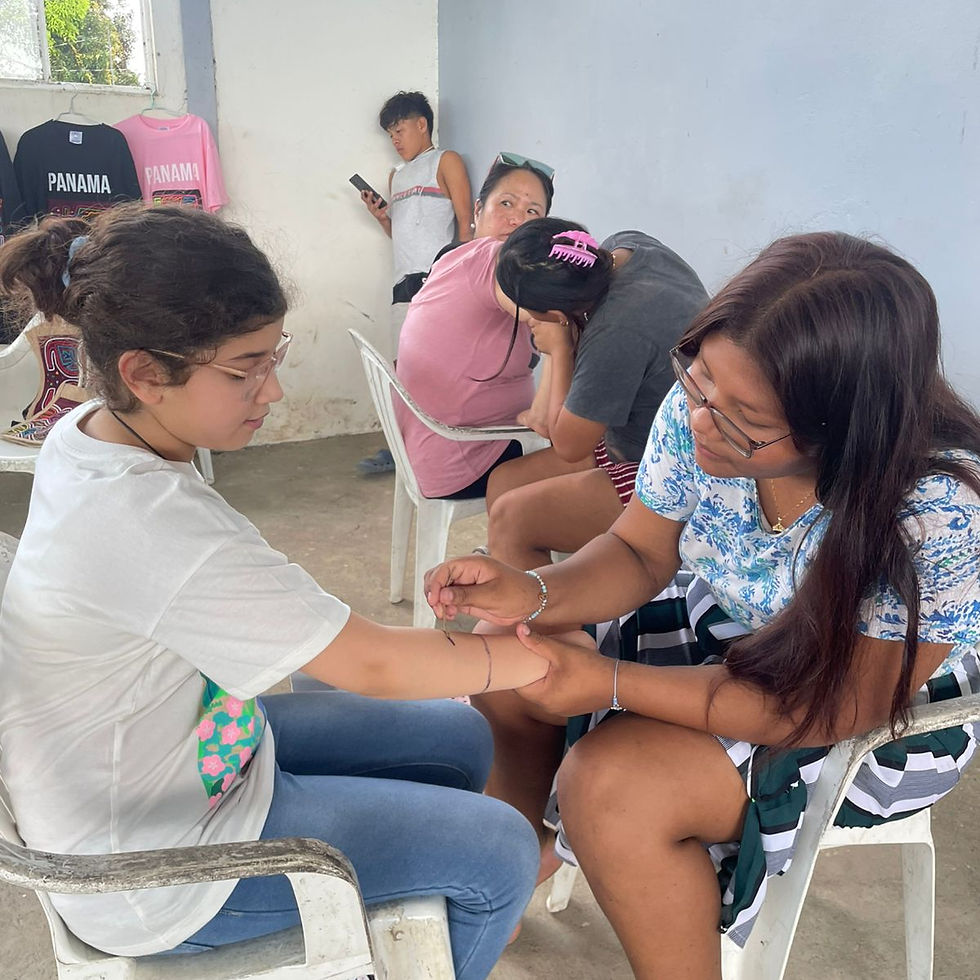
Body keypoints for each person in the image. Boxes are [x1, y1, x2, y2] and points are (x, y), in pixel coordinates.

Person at [0, 204, 565, 980]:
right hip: (157, 868)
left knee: (460, 737)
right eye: (246, 368)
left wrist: (489, 657)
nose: (273, 389)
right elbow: (372, 665)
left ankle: (430, 909)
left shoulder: (94, 430)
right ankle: (456, 902)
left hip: (191, 761)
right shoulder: (152, 523)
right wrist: (532, 664)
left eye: (274, 355)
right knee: (500, 848)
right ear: (143, 371)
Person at [425, 231, 980, 979]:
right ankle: (515, 867)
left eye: (743, 417)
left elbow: (830, 707)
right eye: (699, 379)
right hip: (728, 626)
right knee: (515, 660)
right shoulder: (707, 414)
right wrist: (533, 592)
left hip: (867, 711)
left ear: (840, 425)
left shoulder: (938, 511)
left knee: (612, 787)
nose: (700, 421)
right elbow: (637, 551)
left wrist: (610, 684)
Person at [483, 218, 708, 573]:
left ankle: (553, 622)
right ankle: (543, 576)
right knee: (504, 482)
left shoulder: (615, 333)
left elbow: (570, 447)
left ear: (556, 315)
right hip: (642, 436)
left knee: (512, 520)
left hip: (669, 472)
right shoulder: (630, 245)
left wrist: (559, 349)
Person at [394, 217, 587, 502]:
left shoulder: (462, 256)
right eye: (506, 203)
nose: (516, 217)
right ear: (478, 210)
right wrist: (560, 346)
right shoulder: (510, 283)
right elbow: (550, 427)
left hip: (426, 449)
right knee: (602, 461)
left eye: (532, 209)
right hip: (460, 460)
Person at [358, 91, 472, 475]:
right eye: (390, 134)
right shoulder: (397, 176)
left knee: (439, 366)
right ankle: (401, 444)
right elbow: (404, 235)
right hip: (402, 283)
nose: (396, 139)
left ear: (422, 125)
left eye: (400, 129)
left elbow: (465, 223)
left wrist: (459, 280)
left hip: (437, 281)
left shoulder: (446, 161)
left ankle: (443, 445)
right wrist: (382, 219)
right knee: (403, 367)